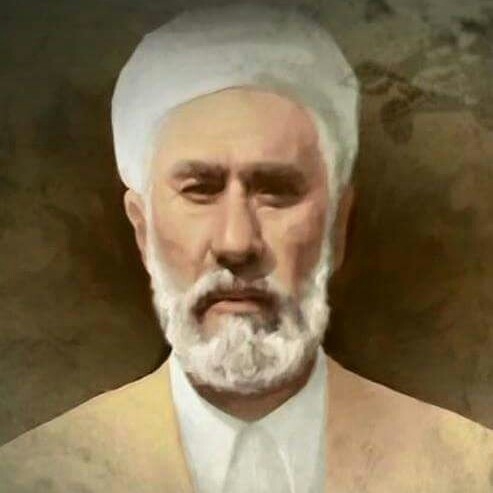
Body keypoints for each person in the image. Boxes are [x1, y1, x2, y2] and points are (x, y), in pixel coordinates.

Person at [0, 4, 492, 493]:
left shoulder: (468, 472)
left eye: (275, 191)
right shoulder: (33, 476)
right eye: (200, 190)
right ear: (143, 231)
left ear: (337, 226)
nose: (236, 243)